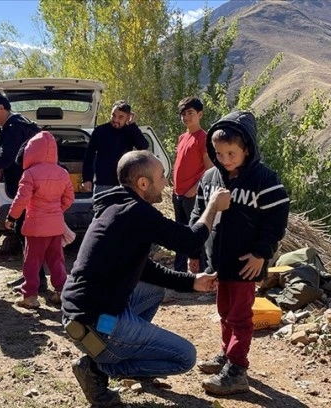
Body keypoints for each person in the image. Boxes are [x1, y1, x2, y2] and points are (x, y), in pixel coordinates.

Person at [61, 150, 230, 406]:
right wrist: (213, 206)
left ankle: (115, 350)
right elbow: (192, 242)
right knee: (185, 357)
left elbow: (145, 268)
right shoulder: (137, 213)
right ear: (143, 183)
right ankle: (99, 368)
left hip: (83, 313)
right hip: (99, 322)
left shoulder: (115, 207)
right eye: (162, 176)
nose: (165, 182)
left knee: (154, 289)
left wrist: (191, 282)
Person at [188, 111, 289, 395]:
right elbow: (198, 214)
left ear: (247, 148)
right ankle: (226, 354)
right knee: (224, 311)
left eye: (232, 153)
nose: (225, 159)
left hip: (247, 262)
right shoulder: (209, 178)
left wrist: (261, 253)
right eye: (219, 153)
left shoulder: (265, 180)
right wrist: (195, 251)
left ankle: (237, 368)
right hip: (218, 261)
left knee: (240, 316)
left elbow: (276, 221)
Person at [0, 90, 48, 291]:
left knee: (26, 234)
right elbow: (3, 152)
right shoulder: (13, 126)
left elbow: (6, 158)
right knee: (25, 234)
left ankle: (36, 281)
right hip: (27, 189)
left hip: (27, 191)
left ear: (1, 108)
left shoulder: (14, 127)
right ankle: (33, 278)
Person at [5, 131, 75, 309]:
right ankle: (62, 292)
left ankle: (30, 296)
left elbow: (21, 199)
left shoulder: (30, 174)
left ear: (31, 151)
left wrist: (12, 217)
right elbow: (69, 199)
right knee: (57, 261)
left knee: (32, 262)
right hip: (56, 226)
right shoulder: (63, 173)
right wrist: (57, 211)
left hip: (36, 227)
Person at [171, 97, 213, 272]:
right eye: (183, 114)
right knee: (180, 234)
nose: (186, 117)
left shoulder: (204, 138)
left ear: (200, 114)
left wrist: (194, 190)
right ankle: (179, 271)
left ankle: (202, 274)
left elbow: (209, 168)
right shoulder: (182, 137)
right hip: (178, 193)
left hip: (192, 195)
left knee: (196, 233)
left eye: (190, 113)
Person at [81, 100, 149, 195]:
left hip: (124, 184)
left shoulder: (130, 132)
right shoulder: (100, 131)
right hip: (102, 184)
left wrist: (133, 125)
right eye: (113, 115)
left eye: (121, 117)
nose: (116, 119)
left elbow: (143, 146)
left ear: (128, 118)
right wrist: (87, 179)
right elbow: (89, 156)